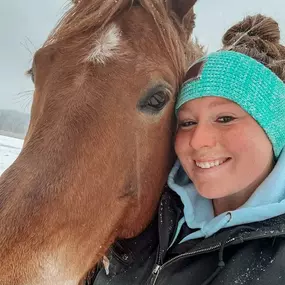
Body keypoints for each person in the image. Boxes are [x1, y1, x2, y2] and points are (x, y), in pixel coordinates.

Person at [90, 14, 285, 285]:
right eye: (187, 122)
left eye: (225, 118)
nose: (197, 140)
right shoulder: (147, 209)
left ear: (274, 128)